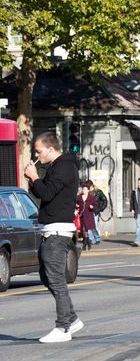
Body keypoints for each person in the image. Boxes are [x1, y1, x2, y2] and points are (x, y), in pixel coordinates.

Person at [24, 131, 83, 343]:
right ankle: (72, 319)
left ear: (50, 148)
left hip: (57, 230)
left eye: (38, 151)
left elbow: (47, 193)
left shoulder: (64, 166)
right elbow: (43, 193)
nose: (37, 155)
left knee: (56, 278)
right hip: (50, 227)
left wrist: (35, 177)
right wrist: (33, 181)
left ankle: (63, 327)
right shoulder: (56, 166)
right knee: (46, 275)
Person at [76, 180, 100, 249]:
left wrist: (92, 207)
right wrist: (76, 205)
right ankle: (87, 242)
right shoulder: (79, 197)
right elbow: (75, 203)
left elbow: (95, 206)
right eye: (83, 189)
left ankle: (86, 243)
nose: (84, 190)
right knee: (83, 230)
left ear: (88, 190)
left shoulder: (91, 198)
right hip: (82, 216)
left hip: (89, 215)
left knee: (88, 229)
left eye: (85, 189)